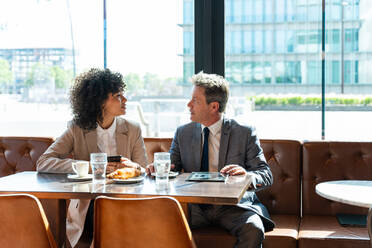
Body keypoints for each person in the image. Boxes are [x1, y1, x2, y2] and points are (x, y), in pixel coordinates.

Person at [147, 71, 274, 248]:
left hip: (233, 207)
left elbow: (265, 174)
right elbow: (173, 167)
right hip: (195, 208)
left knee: (254, 228)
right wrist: (159, 168)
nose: (188, 104)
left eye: (195, 101)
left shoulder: (244, 132)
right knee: (157, 224)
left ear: (214, 106)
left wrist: (247, 177)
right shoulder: (183, 132)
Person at [37, 68, 147, 247]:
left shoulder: (132, 129)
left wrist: (132, 167)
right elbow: (43, 162)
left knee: (114, 212)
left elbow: (143, 170)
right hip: (89, 204)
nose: (125, 100)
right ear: (100, 101)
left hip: (125, 200)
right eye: (118, 95)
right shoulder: (77, 128)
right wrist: (89, 166)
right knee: (102, 210)